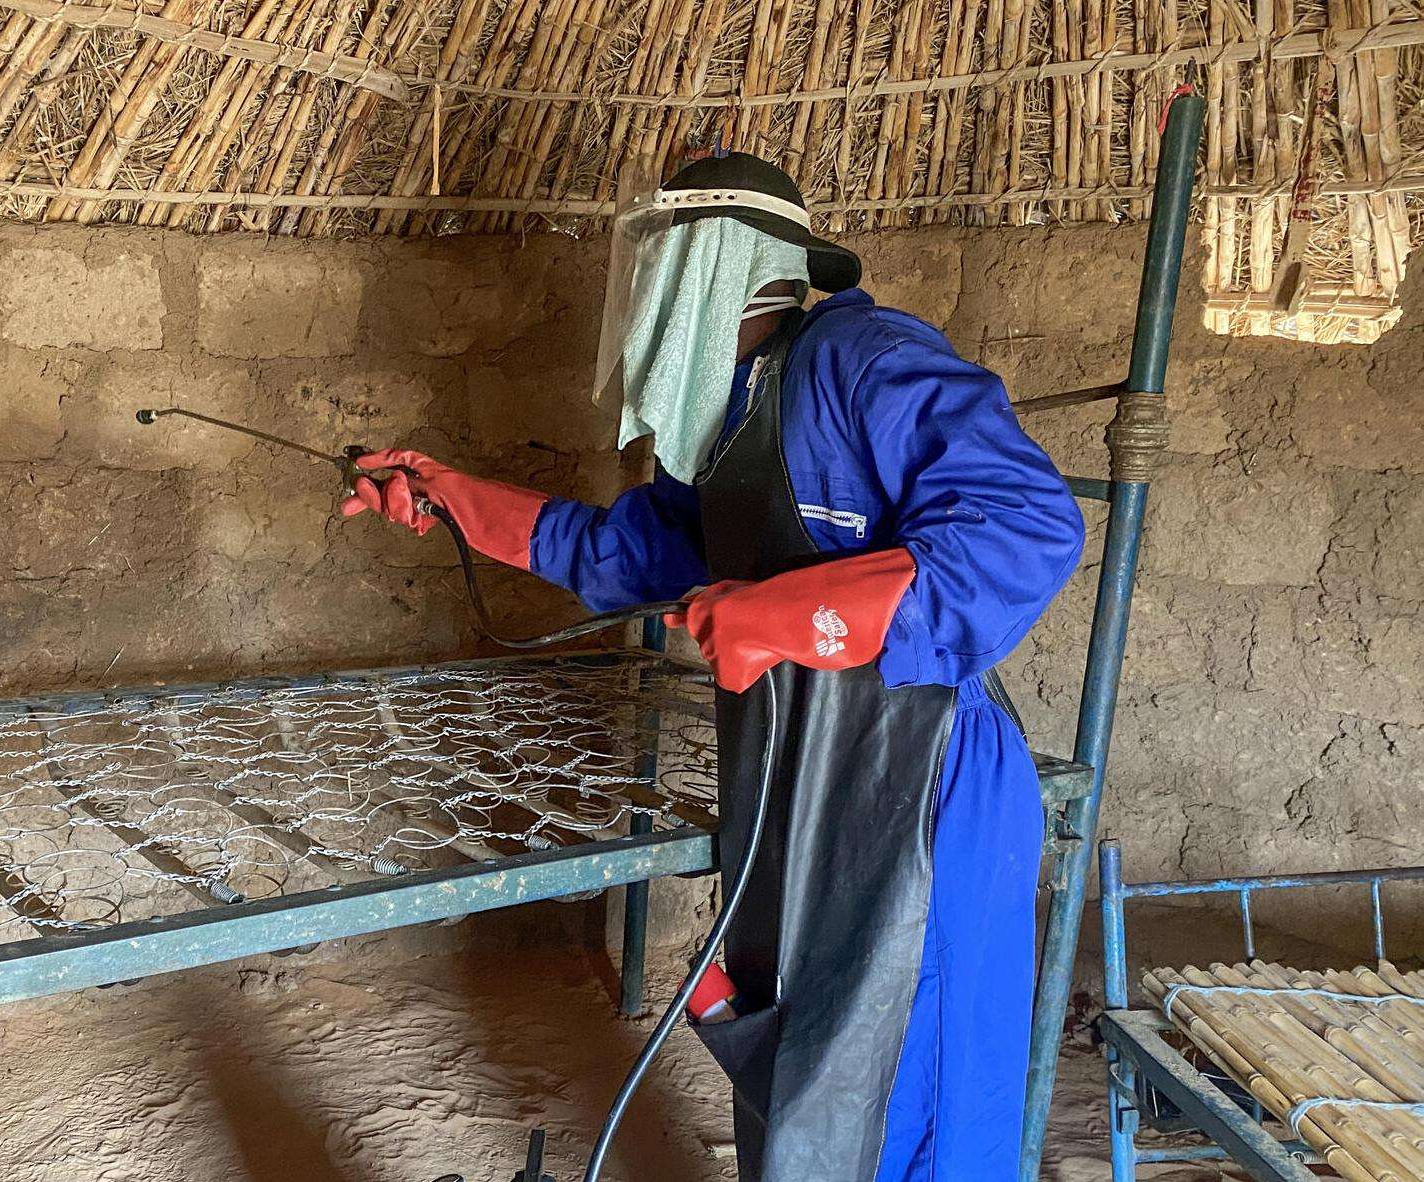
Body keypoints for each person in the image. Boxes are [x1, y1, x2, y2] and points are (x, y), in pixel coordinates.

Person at [341, 151, 1084, 1182]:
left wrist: (789, 613)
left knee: (912, 1091)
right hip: (804, 773)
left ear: (718, 265)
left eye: (653, 267)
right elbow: (621, 556)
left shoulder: (859, 356)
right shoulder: (733, 417)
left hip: (918, 781)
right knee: (801, 1063)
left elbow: (1024, 529)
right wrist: (448, 497)